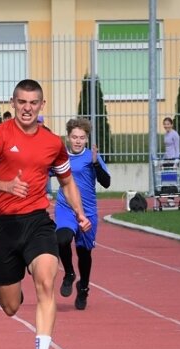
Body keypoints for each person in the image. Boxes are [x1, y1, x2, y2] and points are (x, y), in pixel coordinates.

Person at [0, 79, 90, 349]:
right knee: (11, 306)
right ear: (13, 103)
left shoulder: (52, 143)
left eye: (33, 103)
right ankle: (14, 286)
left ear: (42, 105)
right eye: (21, 102)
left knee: (46, 280)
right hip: (2, 226)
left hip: (37, 221)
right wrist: (5, 185)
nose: (27, 108)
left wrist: (79, 212)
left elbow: (66, 181)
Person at [56, 118, 110, 310]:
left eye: (82, 138)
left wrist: (95, 164)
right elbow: (43, 173)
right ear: (68, 137)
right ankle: (69, 273)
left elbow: (106, 183)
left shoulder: (91, 157)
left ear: (87, 139)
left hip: (87, 212)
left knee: (83, 253)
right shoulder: (61, 157)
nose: (78, 141)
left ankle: (84, 287)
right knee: (62, 239)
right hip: (65, 207)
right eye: (74, 137)